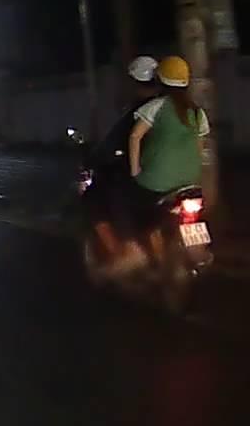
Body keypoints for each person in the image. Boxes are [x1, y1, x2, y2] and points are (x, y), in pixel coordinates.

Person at [125, 55, 210, 269]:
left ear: (161, 80)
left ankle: (147, 254)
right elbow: (199, 148)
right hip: (190, 180)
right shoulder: (198, 112)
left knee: (137, 208)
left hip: (157, 181)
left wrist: (135, 171)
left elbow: (135, 136)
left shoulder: (155, 106)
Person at [85, 56, 160, 268]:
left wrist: (98, 158)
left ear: (134, 83)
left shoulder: (139, 112)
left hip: (147, 177)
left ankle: (128, 249)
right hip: (180, 176)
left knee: (104, 199)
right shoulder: (172, 107)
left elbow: (120, 140)